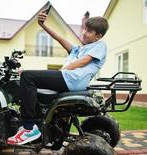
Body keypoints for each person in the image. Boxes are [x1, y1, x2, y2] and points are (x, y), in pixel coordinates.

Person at [7, 8, 109, 145]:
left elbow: (84, 61)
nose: (84, 33)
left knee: (27, 76)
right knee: (28, 76)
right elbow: (59, 38)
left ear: (98, 36)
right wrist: (43, 25)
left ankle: (29, 128)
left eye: (89, 31)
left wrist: (63, 70)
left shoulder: (100, 45)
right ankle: (37, 122)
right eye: (85, 29)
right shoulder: (79, 49)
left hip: (72, 79)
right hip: (68, 78)